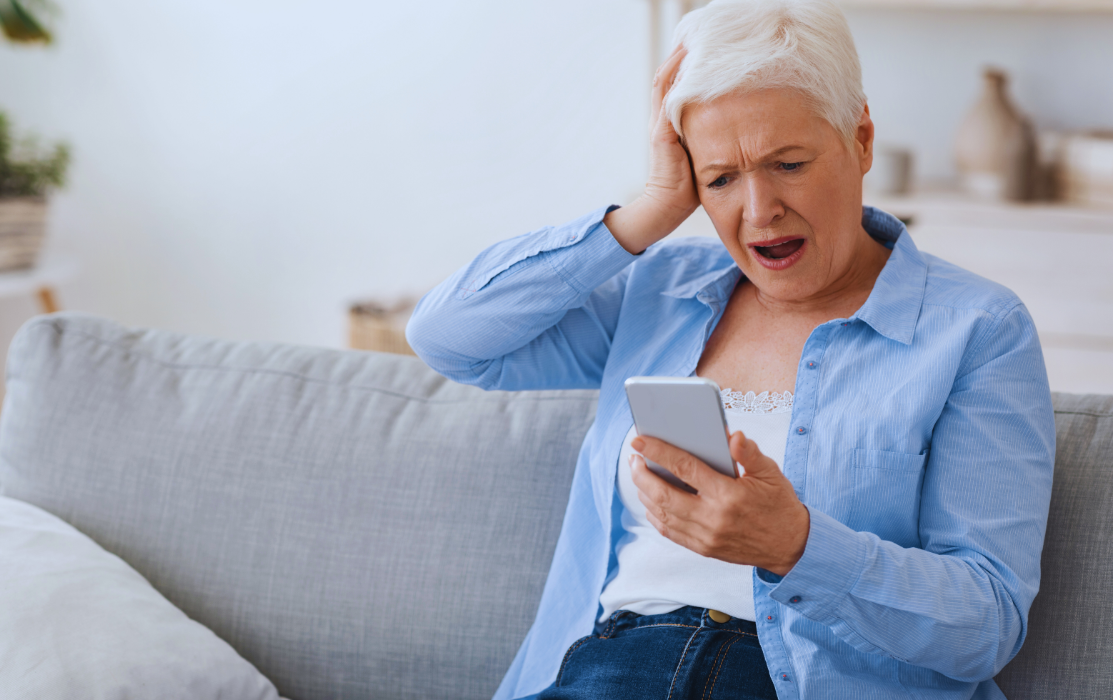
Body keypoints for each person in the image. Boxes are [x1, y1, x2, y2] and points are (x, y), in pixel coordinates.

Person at [405, 0, 1055, 697]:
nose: (757, 210)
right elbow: (449, 338)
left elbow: (987, 623)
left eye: (789, 163)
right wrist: (646, 212)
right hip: (614, 666)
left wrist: (798, 548)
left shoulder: (977, 329)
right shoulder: (658, 293)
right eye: (720, 178)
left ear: (861, 139)